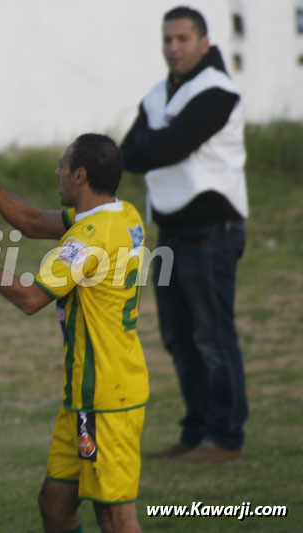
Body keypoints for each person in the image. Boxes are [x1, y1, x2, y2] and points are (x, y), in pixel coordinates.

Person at [0, 134, 148, 533]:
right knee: (55, 504)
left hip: (106, 397)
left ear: (80, 175)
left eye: (62, 167)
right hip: (85, 394)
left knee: (114, 515)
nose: (57, 174)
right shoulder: (122, 214)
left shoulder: (88, 239)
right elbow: (31, 222)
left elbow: (30, 298)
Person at [120, 6, 247, 463]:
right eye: (167, 39)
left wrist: (160, 141)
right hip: (170, 229)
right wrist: (161, 141)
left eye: (183, 39)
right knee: (178, 336)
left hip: (211, 229)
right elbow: (130, 155)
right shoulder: (160, 94)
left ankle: (225, 437)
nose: (173, 47)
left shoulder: (217, 90)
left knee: (212, 336)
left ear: (205, 42)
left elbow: (167, 145)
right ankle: (195, 433)